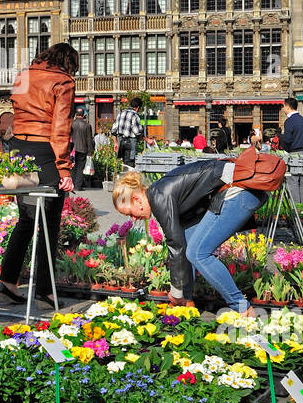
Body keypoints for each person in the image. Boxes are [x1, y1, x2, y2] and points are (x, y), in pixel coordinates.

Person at [112, 156, 272, 313]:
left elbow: (175, 244)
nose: (133, 219)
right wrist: (183, 296)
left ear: (137, 200)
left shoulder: (158, 197)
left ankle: (243, 309)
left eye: (129, 214)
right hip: (243, 190)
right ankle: (186, 302)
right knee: (191, 245)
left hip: (240, 191)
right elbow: (182, 243)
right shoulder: (160, 192)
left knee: (198, 254)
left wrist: (175, 292)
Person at [0, 43, 79, 304]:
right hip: (45, 151)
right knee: (49, 222)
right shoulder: (62, 81)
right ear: (68, 63)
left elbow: (17, 115)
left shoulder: (24, 76)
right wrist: (64, 168)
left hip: (20, 148)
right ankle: (45, 288)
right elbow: (61, 126)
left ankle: (7, 280)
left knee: (27, 219)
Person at [113, 96, 143, 168]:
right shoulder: (135, 115)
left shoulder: (120, 114)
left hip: (121, 142)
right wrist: (144, 138)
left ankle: (125, 177)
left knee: (124, 163)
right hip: (130, 143)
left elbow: (113, 130)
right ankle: (128, 178)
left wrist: (115, 142)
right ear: (138, 107)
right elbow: (137, 131)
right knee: (130, 164)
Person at [70, 108, 94, 191]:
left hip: (72, 149)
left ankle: (72, 184)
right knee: (80, 168)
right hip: (83, 149)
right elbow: (89, 140)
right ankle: (78, 186)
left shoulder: (72, 124)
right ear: (83, 115)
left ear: (76, 115)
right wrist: (90, 151)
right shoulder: (87, 125)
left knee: (72, 168)